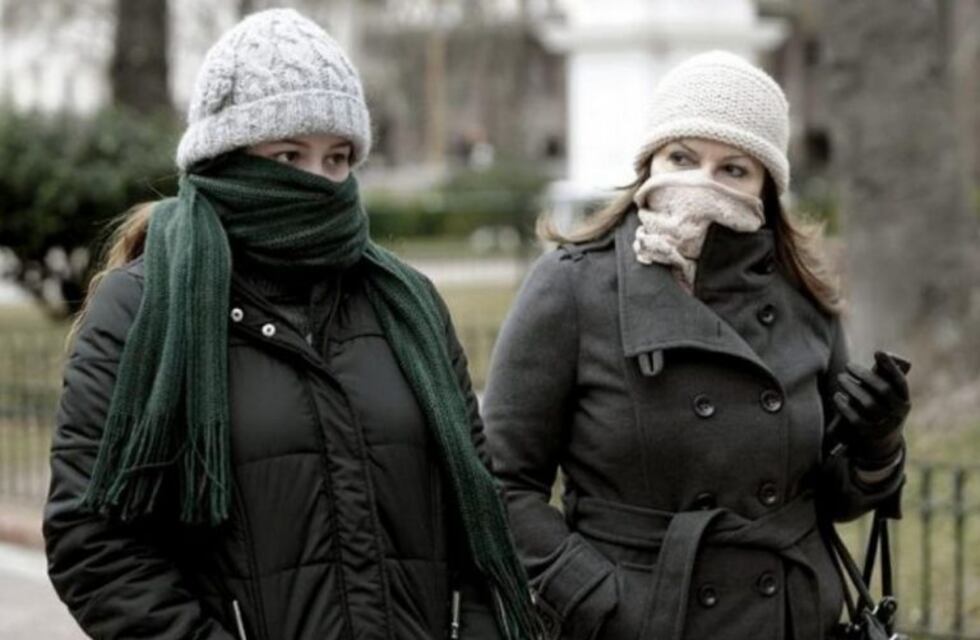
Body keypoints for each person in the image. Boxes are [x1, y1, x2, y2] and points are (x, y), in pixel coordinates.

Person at [43, 9, 538, 640]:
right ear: (225, 159)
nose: (317, 182)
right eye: (287, 154)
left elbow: (478, 509)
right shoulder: (140, 309)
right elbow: (94, 540)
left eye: (337, 158)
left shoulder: (407, 304)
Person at [482, 51, 910, 640]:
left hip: (788, 619)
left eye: (733, 169)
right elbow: (502, 481)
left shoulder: (804, 296)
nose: (701, 184)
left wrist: (877, 444)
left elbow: (830, 498)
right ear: (650, 162)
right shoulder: (572, 286)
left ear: (765, 186)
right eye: (683, 157)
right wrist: (597, 599)